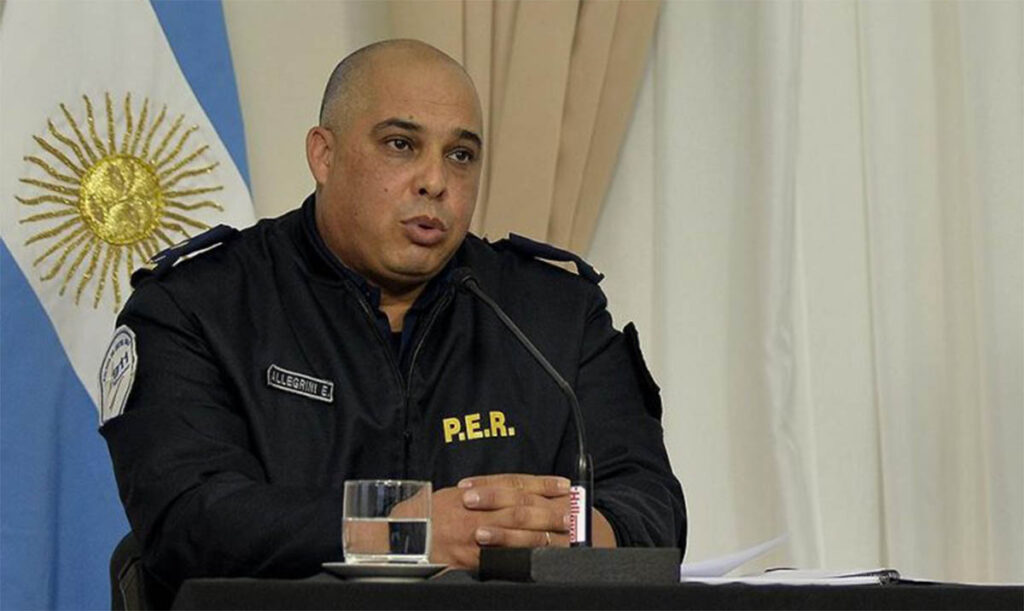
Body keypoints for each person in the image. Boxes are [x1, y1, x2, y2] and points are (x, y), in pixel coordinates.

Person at [100, 39, 685, 590]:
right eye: (401, 144)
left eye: (460, 155)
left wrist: (563, 530)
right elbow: (187, 520)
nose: (435, 181)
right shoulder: (198, 305)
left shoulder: (555, 314)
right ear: (324, 154)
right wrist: (406, 533)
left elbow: (649, 504)